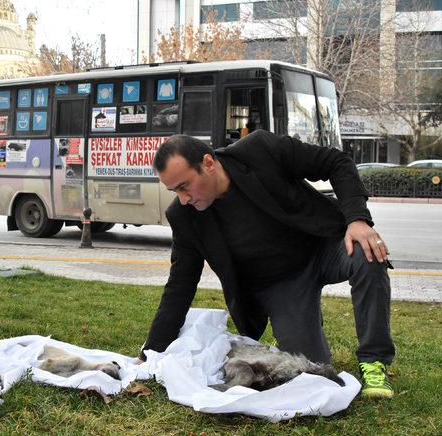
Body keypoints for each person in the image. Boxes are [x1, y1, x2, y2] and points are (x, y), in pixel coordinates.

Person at [140, 130, 395, 399]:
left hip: (323, 246)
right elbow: (180, 285)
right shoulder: (183, 216)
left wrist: (357, 219)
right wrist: (150, 353)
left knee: (369, 253)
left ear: (208, 164)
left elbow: (336, 161)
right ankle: (305, 319)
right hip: (281, 286)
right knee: (310, 375)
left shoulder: (259, 150)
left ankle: (374, 362)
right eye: (174, 191)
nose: (183, 198)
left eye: (184, 186)